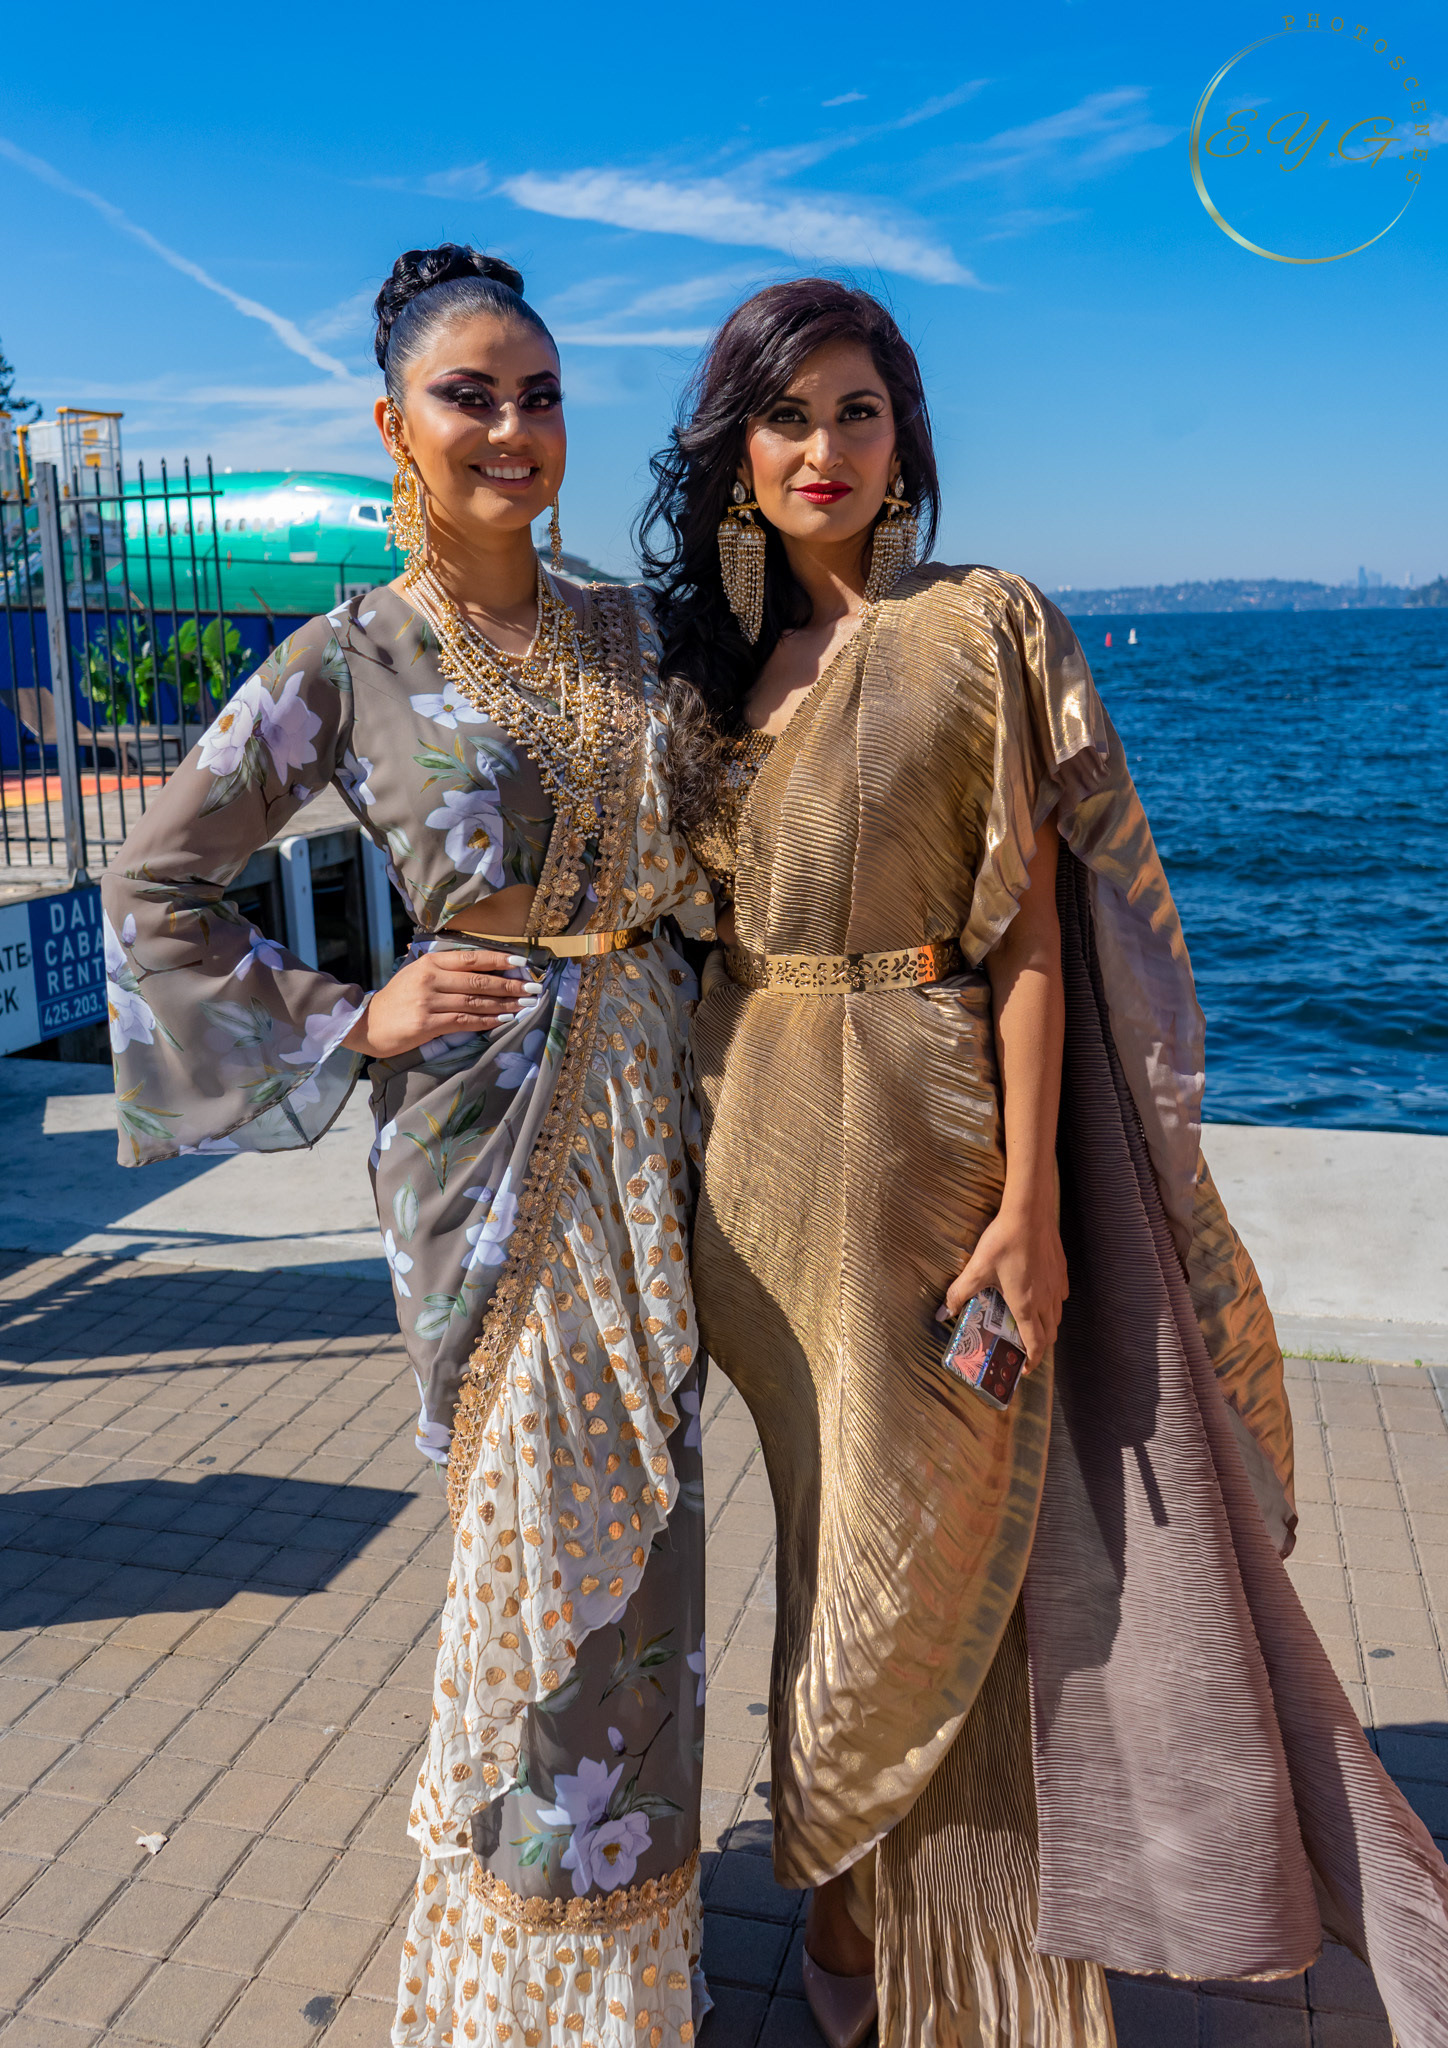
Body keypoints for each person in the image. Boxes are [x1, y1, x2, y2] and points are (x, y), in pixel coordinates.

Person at [640, 278, 1448, 2048]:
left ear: (905, 437)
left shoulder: (979, 623)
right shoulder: (698, 672)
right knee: (829, 1545)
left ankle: (951, 1943)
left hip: (932, 1140)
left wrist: (1030, 1202)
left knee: (947, 1555)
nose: (825, 449)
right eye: (788, 417)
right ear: (736, 452)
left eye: (859, 412)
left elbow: (1028, 938)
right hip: (754, 1170)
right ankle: (856, 1902)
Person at [101, 243, 717, 2048]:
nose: (512, 428)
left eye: (540, 395)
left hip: (649, 1124)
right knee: (538, 1549)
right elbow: (157, 882)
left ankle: (622, 1967)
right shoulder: (349, 655)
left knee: (654, 1544)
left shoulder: (634, 632)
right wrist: (349, 1017)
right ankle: (518, 1988)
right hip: (482, 1142)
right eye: (469, 396)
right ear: (393, 427)